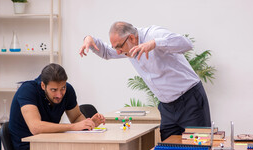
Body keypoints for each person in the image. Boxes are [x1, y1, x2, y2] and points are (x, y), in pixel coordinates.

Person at [79, 21, 211, 142]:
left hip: (190, 100)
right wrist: (89, 39)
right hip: (167, 107)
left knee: (198, 148)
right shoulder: (127, 49)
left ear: (131, 38)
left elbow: (186, 44)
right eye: (116, 48)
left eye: (119, 47)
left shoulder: (154, 34)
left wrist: (154, 44)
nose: (118, 52)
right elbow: (106, 52)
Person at [9, 63, 105, 150]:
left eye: (62, 88)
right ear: (43, 86)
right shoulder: (27, 90)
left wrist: (87, 124)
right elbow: (35, 127)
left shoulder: (68, 90)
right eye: (54, 90)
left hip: (51, 142)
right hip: (29, 148)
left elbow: (76, 117)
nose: (59, 95)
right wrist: (73, 127)